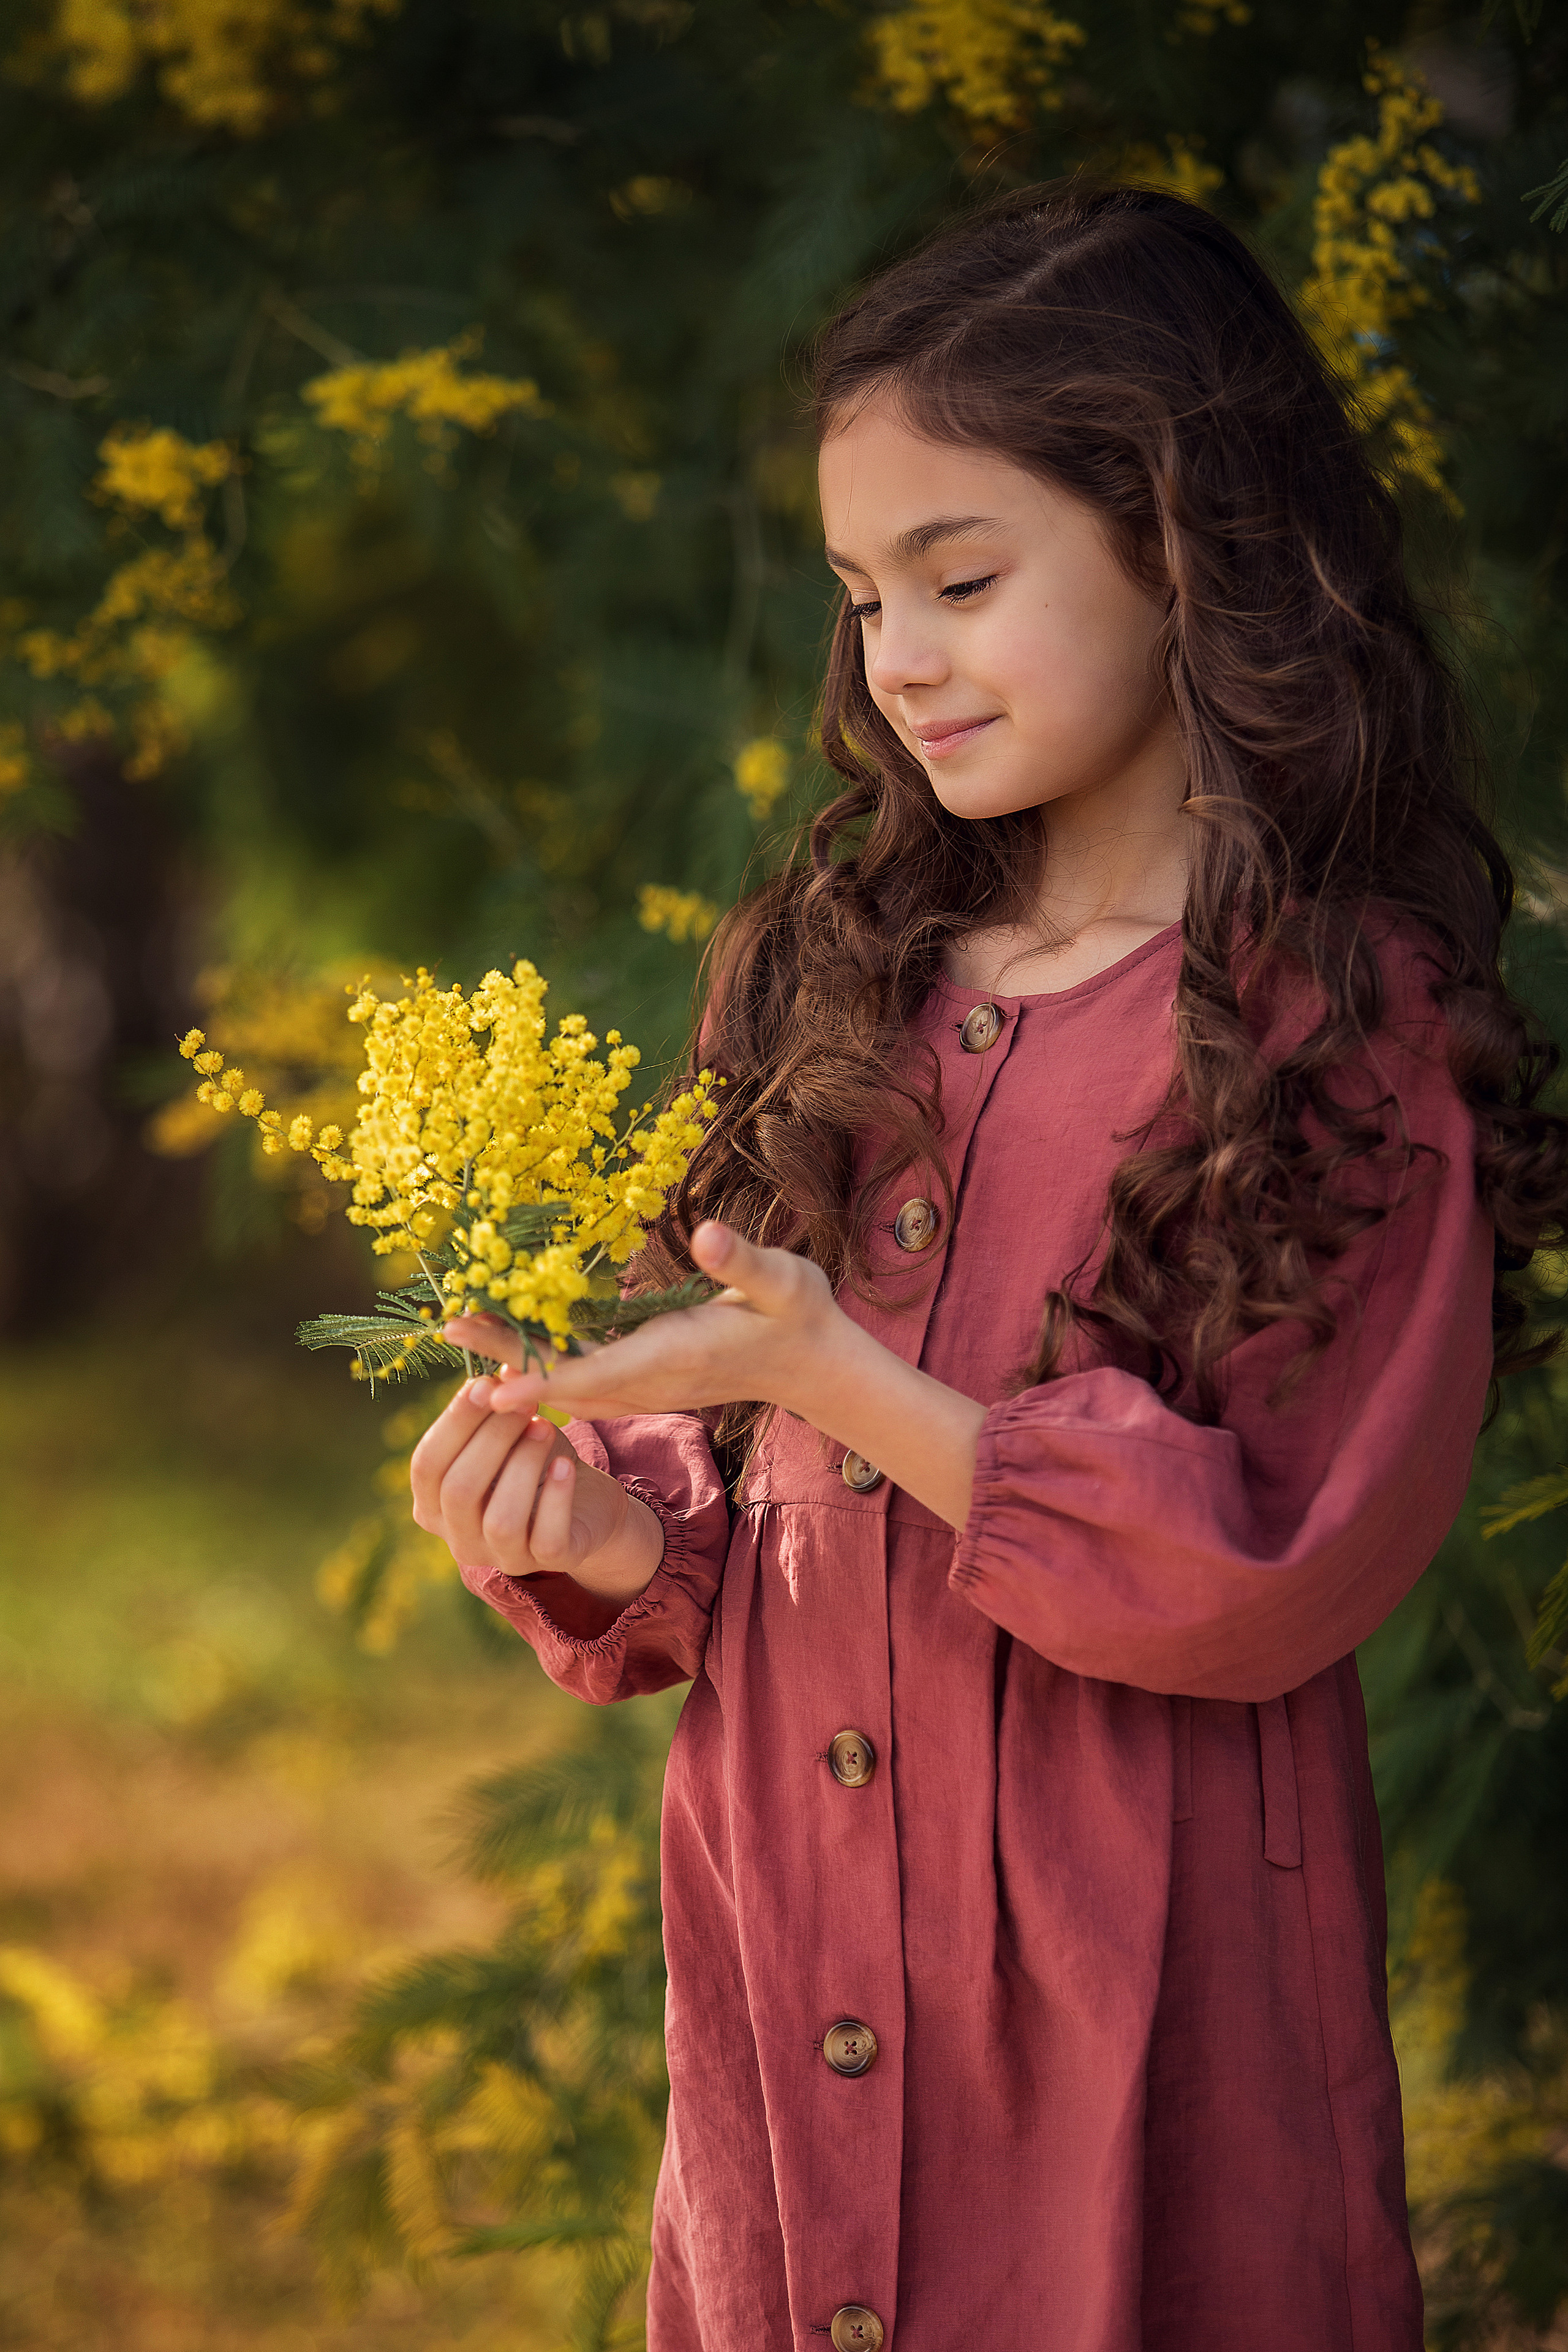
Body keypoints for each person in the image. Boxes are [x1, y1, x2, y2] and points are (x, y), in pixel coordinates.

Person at [409, 182, 1568, 2351]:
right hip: (789, 1961)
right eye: (863, 599)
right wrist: (596, 1529)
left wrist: (847, 1383)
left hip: (1153, 2003)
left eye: (961, 579)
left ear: (1188, 547)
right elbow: (732, 1469)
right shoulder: (838, 979)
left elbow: (1281, 1558)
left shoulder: (1338, 1024)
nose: (899, 660)